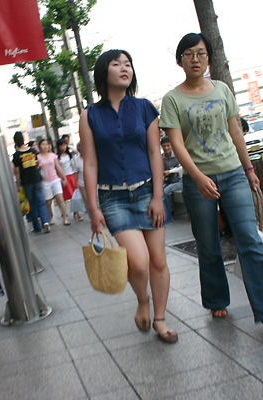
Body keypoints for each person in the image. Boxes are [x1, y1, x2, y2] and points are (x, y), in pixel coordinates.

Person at [159, 33, 263, 334]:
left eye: (201, 53)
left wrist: (249, 169)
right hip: (197, 181)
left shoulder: (221, 89)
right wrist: (198, 177)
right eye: (189, 54)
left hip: (232, 174)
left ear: (209, 58)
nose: (196, 59)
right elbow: (177, 144)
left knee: (249, 239)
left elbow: (235, 132)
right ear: (180, 60)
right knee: (208, 245)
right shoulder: (173, 99)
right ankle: (217, 298)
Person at [80, 49, 177, 343]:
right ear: (102, 72)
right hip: (113, 199)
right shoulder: (90, 115)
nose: (125, 68)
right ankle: (142, 301)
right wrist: (93, 207)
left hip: (148, 192)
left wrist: (158, 195)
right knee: (137, 261)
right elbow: (90, 163)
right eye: (116, 64)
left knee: (158, 261)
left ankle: (160, 319)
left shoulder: (145, 107)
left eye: (128, 64)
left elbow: (154, 152)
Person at [12, 131, 51, 233]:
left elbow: (17, 171)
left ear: (15, 141)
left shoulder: (16, 155)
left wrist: (18, 183)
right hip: (36, 179)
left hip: (26, 182)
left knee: (32, 204)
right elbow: (37, 164)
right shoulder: (33, 151)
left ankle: (37, 227)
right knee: (41, 201)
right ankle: (45, 222)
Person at [38, 138, 70, 225]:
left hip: (55, 179)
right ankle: (50, 218)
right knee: (48, 202)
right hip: (45, 181)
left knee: (60, 198)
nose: (45, 146)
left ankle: (65, 218)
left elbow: (58, 167)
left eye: (47, 144)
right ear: (40, 146)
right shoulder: (38, 157)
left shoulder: (53, 155)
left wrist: (63, 178)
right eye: (43, 144)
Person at [161, 136, 183, 213]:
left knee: (166, 192)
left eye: (168, 145)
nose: (166, 148)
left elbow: (182, 168)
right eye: (164, 146)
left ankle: (170, 212)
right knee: (160, 191)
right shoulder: (161, 157)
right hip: (169, 180)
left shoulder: (178, 154)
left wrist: (170, 172)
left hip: (179, 181)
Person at [72, 142, 88, 220]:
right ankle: (92, 216)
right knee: (87, 200)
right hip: (82, 183)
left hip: (93, 182)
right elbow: (76, 172)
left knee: (96, 199)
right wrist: (75, 182)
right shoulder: (76, 159)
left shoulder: (91, 157)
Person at [57, 137, 76, 203]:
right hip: (65, 176)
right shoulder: (57, 157)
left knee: (75, 194)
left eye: (64, 145)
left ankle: (76, 212)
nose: (63, 147)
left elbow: (76, 151)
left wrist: (69, 147)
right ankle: (75, 211)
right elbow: (58, 168)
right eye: (61, 146)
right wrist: (62, 178)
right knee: (69, 195)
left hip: (72, 174)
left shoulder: (69, 153)